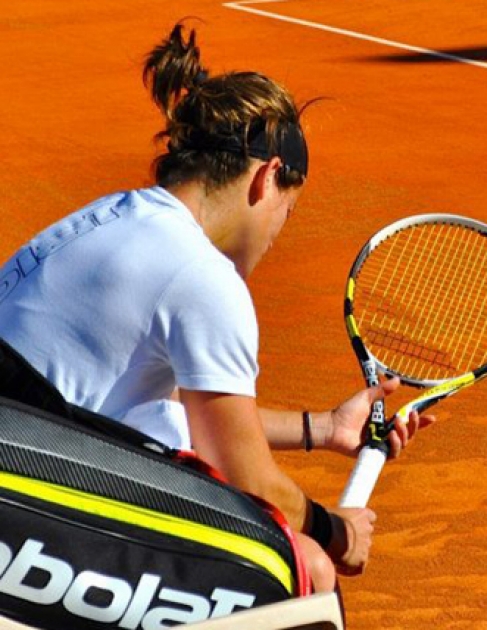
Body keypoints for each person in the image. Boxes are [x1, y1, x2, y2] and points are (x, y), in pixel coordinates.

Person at [0, 24, 432, 594]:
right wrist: (336, 530)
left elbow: (185, 412)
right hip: (25, 504)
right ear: (268, 178)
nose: (279, 231)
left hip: (26, 463)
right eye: (288, 211)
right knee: (303, 567)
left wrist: (323, 428)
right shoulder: (201, 276)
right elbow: (247, 478)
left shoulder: (118, 217)